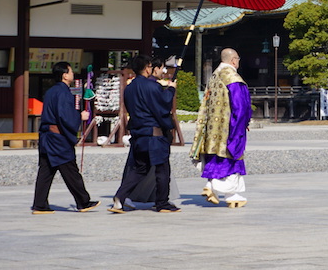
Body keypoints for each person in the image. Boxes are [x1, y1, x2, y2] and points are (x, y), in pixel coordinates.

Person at [108, 54, 179, 213]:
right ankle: (162, 202)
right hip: (154, 135)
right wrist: (171, 90)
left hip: (139, 133)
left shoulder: (129, 88)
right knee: (162, 170)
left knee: (140, 169)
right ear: (147, 67)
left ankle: (120, 196)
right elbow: (162, 106)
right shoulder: (151, 86)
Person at [31, 61, 99, 214]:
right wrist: (79, 116)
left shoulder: (51, 91)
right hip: (57, 138)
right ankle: (83, 202)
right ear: (64, 75)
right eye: (70, 71)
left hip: (47, 136)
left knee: (46, 171)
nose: (72, 74)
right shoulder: (63, 92)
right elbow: (64, 116)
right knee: (70, 170)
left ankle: (39, 204)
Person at [191, 48, 252, 207]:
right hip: (229, 128)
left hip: (213, 129)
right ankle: (230, 195)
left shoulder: (214, 77)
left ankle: (211, 186)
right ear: (233, 60)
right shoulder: (233, 78)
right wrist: (242, 124)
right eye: (238, 59)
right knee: (230, 159)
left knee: (216, 158)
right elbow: (240, 106)